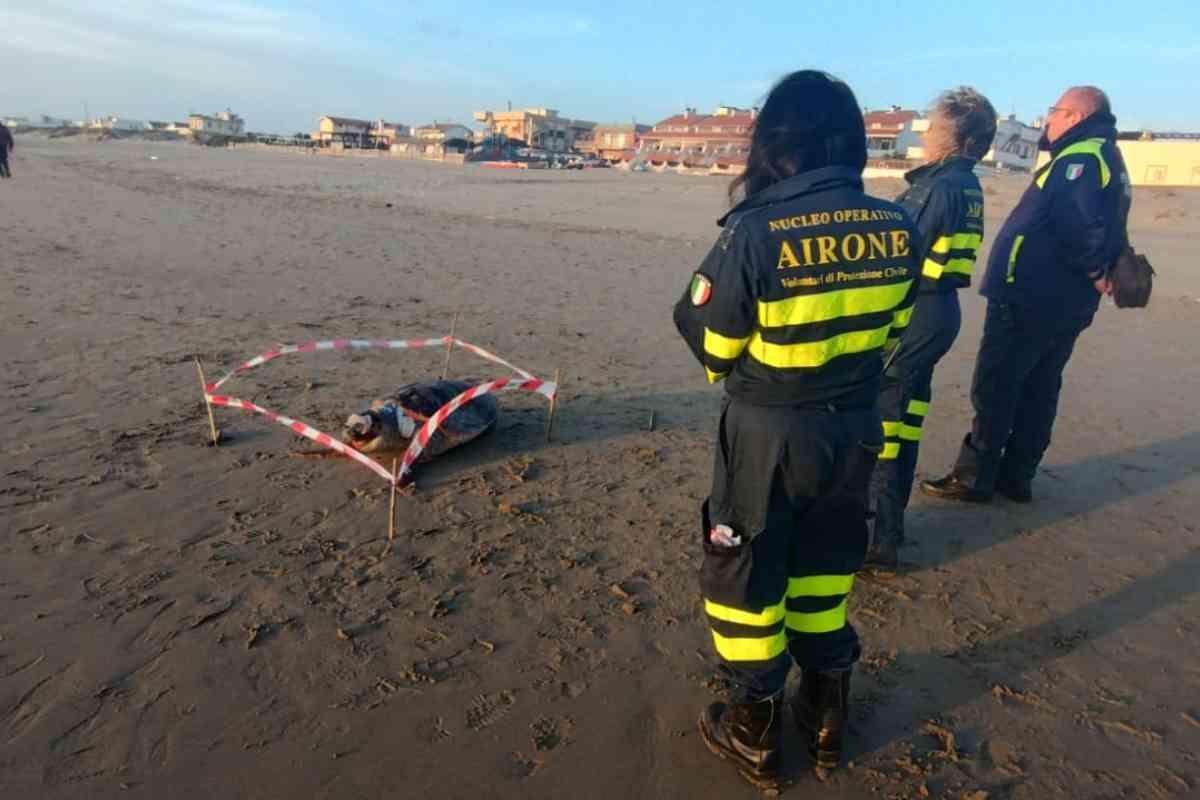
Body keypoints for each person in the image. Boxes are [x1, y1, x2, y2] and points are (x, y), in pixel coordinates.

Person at [673, 70, 920, 788]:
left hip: (766, 436)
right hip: (854, 429)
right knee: (826, 564)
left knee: (745, 574)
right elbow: (894, 331)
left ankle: (752, 721)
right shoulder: (899, 227)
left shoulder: (755, 232)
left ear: (777, 148)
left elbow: (713, 347)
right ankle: (825, 707)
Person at [922, 86, 1131, 503]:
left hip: (1036, 294)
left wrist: (1094, 269)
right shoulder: (1103, 155)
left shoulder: (1081, 158)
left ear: (1075, 116)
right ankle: (1016, 475)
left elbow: (1083, 224)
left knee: (999, 384)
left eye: (1054, 111)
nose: (1048, 120)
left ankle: (976, 476)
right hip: (1061, 298)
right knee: (1039, 385)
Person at [864, 88, 996, 572]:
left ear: (957, 138)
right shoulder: (963, 184)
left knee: (883, 425)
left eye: (933, 126)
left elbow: (895, 254)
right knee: (906, 419)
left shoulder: (938, 186)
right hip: (938, 315)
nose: (924, 134)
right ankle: (889, 525)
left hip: (916, 314)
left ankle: (877, 540)